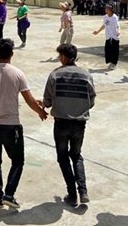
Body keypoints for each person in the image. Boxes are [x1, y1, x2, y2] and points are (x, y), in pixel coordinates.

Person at [0, 38, 48, 209]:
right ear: (12, 54)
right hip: (10, 126)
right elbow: (28, 99)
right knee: (18, 161)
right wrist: (40, 111)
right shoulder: (17, 74)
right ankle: (9, 194)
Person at [41, 43, 95, 207]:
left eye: (60, 55)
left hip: (61, 123)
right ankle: (83, 191)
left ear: (64, 57)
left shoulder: (55, 75)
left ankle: (72, 194)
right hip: (80, 123)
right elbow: (91, 100)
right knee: (76, 156)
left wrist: (43, 104)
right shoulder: (86, 75)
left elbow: (47, 102)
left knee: (63, 157)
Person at [93, 4, 120, 70]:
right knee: (107, 50)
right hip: (108, 36)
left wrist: (118, 31)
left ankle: (114, 63)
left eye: (107, 9)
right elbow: (104, 25)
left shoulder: (114, 17)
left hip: (114, 36)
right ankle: (111, 62)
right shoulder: (105, 17)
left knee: (114, 50)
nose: (105, 10)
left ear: (110, 10)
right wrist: (97, 31)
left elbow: (117, 26)